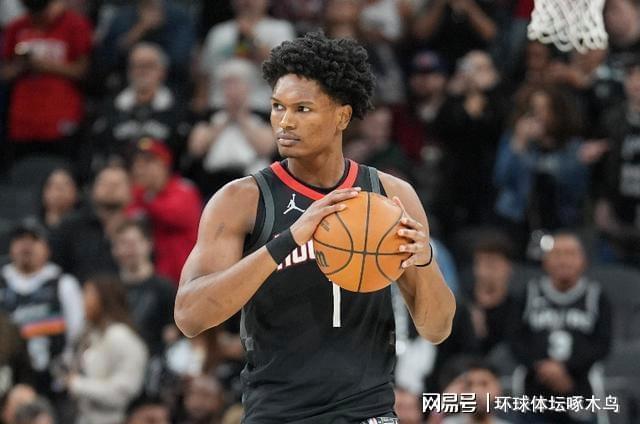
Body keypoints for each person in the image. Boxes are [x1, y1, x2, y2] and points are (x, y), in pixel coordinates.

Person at [175, 32, 456, 422]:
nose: (284, 121)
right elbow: (189, 317)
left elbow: (437, 328)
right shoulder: (241, 200)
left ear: (342, 116)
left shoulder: (391, 196)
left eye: (302, 109)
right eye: (277, 107)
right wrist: (287, 241)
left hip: (367, 411)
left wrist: (422, 260)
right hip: (277, 413)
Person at [508, 232, 612, 424]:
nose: (564, 260)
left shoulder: (596, 296)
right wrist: (542, 366)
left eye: (570, 254)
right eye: (557, 254)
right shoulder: (529, 292)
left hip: (580, 390)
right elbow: (515, 339)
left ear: (583, 261)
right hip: (535, 392)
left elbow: (602, 344)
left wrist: (566, 368)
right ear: (545, 261)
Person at [0, 0, 92, 161]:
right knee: (24, 169)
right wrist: (21, 66)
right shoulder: (17, 26)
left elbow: (83, 71)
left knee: (62, 166)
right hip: (23, 118)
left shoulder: (74, 24)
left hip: (60, 115)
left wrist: (42, 65)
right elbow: (4, 72)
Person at [0, 220, 84, 396]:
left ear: (47, 248)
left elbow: (77, 332)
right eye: (20, 239)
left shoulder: (64, 284)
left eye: (34, 239)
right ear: (11, 247)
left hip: (54, 379)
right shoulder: (2, 283)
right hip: (8, 379)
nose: (26, 246)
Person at [184, 58, 275, 198]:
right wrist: (225, 119)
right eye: (227, 85)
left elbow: (266, 148)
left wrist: (241, 118)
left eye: (237, 84)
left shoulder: (262, 116)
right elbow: (196, 148)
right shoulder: (209, 116)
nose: (232, 90)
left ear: (248, 87)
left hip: (251, 181)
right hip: (214, 182)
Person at [91, 42, 189, 168]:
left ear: (162, 71)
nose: (142, 71)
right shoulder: (110, 108)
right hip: (121, 173)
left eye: (149, 66)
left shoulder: (178, 108)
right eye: (137, 66)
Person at [66, 274, 148, 424]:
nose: (83, 302)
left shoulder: (121, 337)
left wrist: (77, 384)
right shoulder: (88, 334)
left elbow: (122, 393)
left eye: (89, 295)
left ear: (104, 299)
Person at [128, 138, 202, 284]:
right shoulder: (138, 194)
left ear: (164, 164)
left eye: (148, 162)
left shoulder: (183, 190)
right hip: (151, 281)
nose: (140, 169)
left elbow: (172, 215)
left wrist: (144, 198)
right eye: (137, 163)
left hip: (186, 280)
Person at [49, 163, 131, 281]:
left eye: (117, 185)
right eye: (105, 183)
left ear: (130, 192)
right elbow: (54, 269)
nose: (111, 189)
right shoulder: (70, 227)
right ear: (93, 190)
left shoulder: (138, 228)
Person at [111, 219, 176, 357]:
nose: (129, 251)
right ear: (114, 250)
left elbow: (172, 333)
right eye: (122, 244)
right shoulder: (109, 290)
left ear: (148, 244)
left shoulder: (164, 288)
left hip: (154, 359)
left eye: (133, 243)